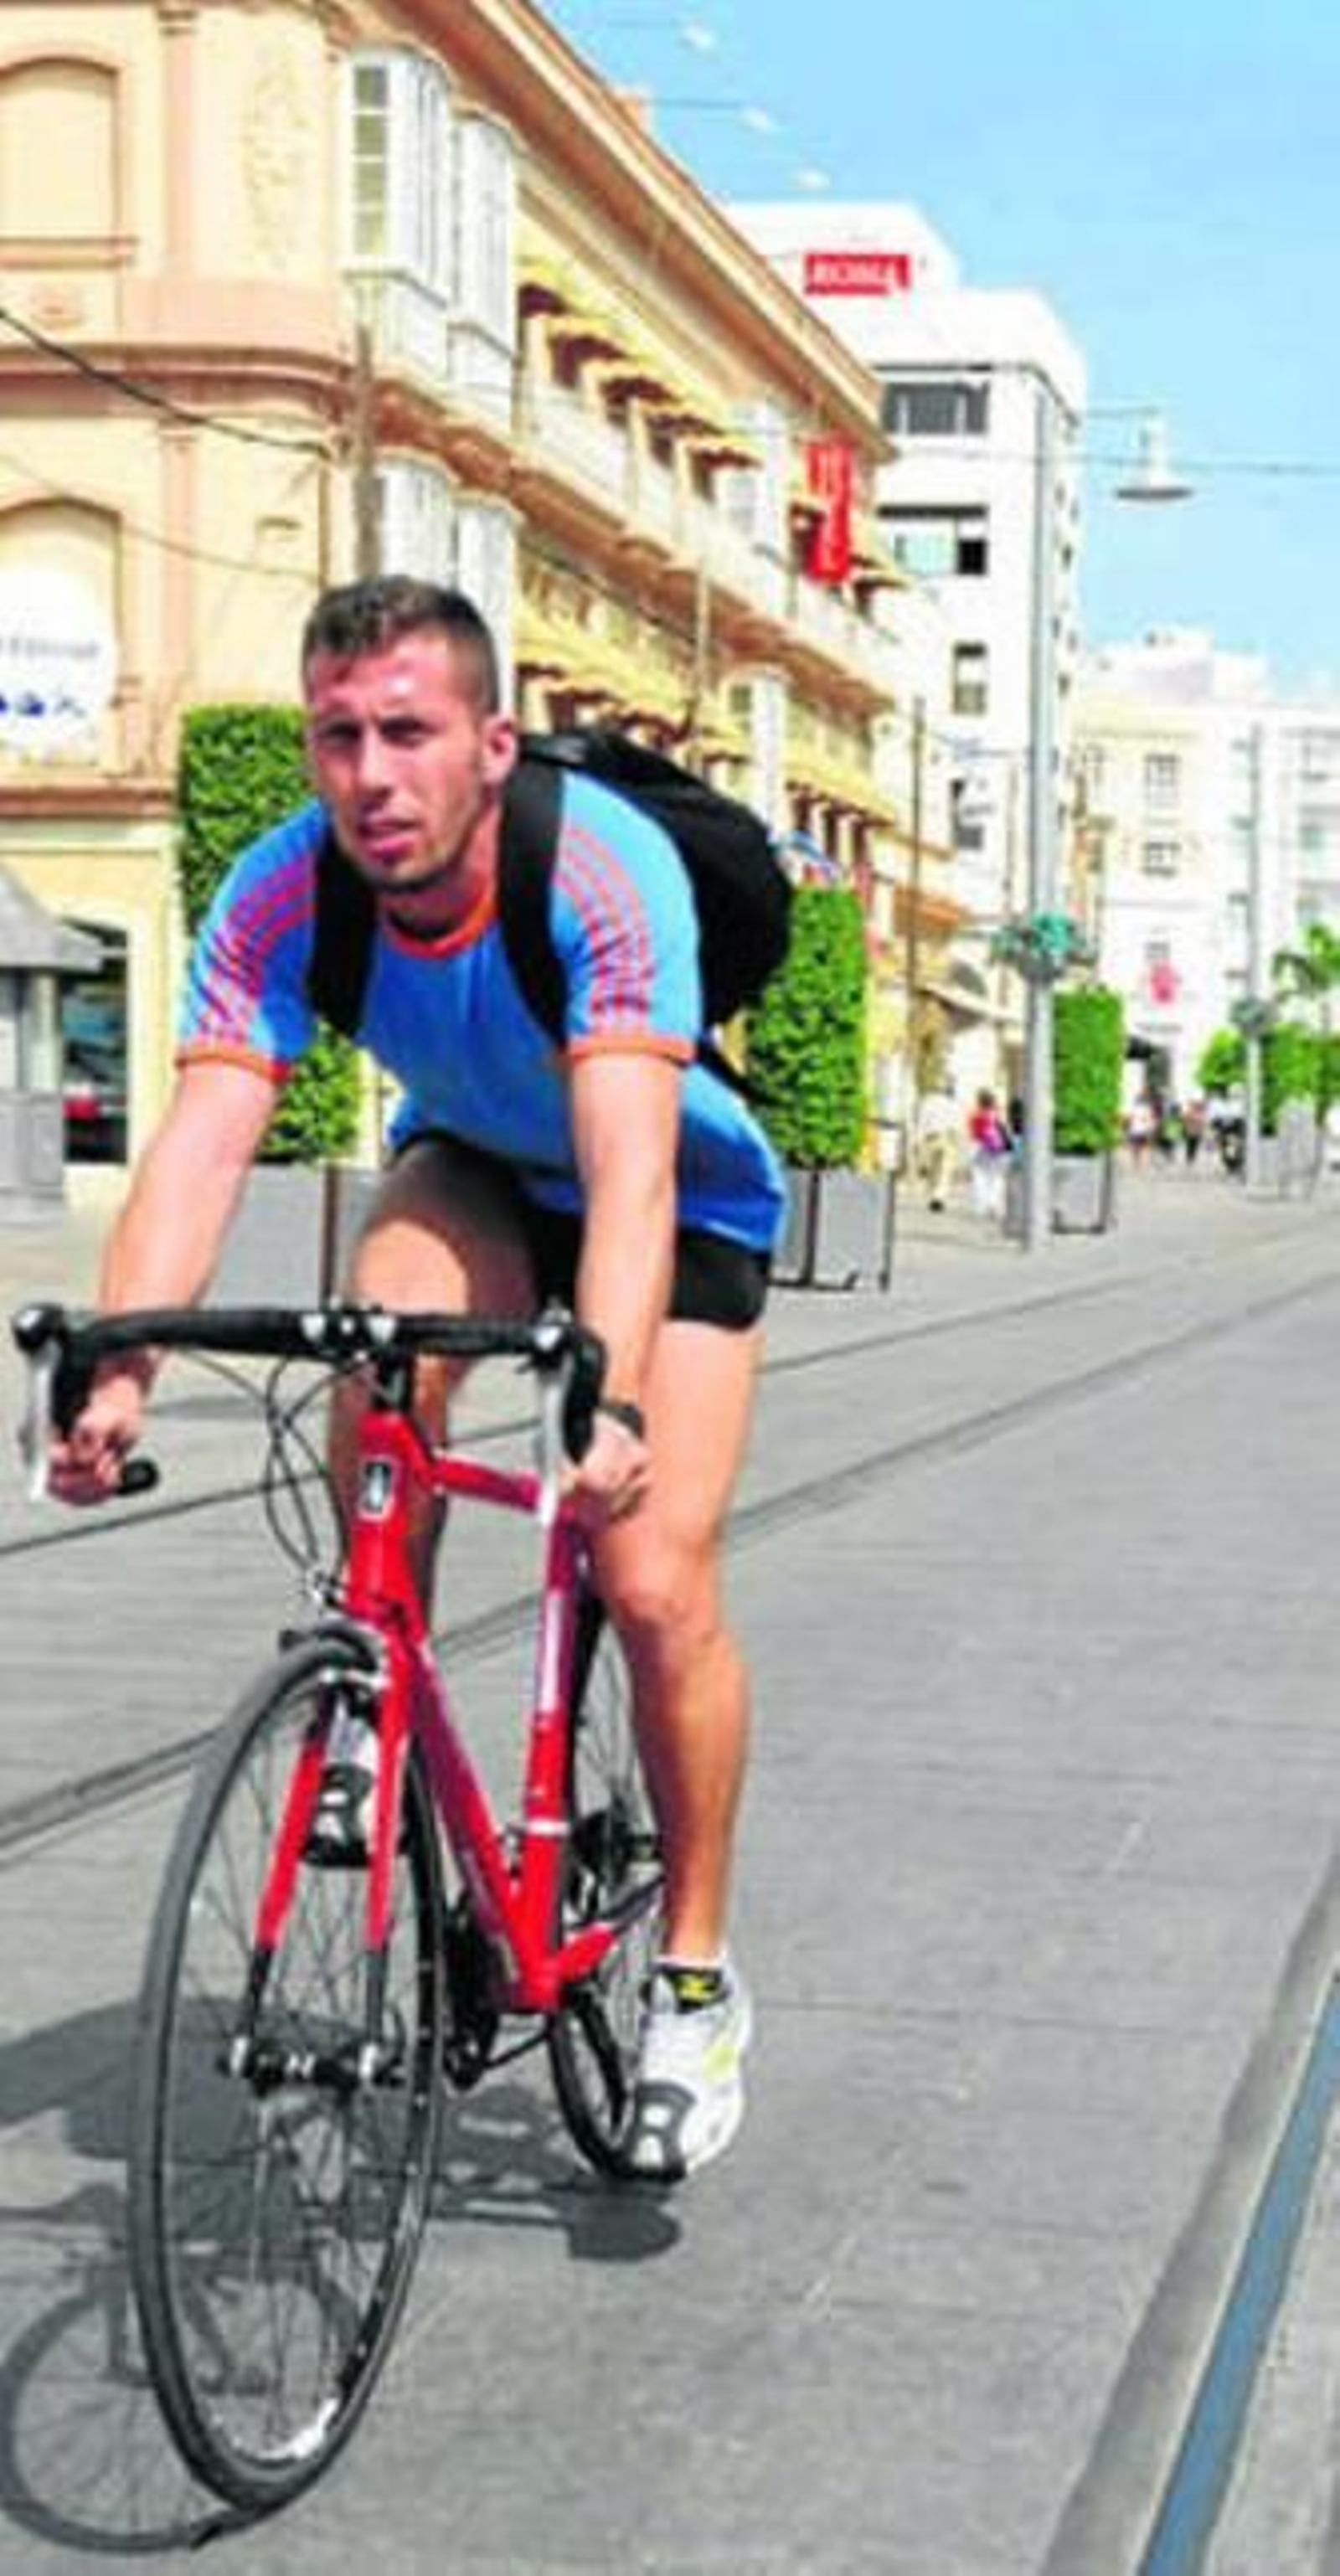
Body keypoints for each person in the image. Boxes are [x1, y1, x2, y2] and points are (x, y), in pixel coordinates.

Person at [46, 574, 786, 2182]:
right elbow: (201, 1144)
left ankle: (696, 1977)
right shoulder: (282, 891)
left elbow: (633, 1171)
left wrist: (613, 1402)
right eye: (337, 736)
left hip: (674, 1199)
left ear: (490, 742)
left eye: (407, 732)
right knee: (381, 1342)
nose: (370, 774)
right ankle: (375, 1681)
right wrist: (120, 1367)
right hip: (474, 1168)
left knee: (652, 1581)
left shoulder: (600, 868)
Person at [966, 1086, 1010, 1218]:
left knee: (979, 1177)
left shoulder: (974, 1114)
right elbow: (1005, 1131)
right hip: (997, 1147)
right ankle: (994, 1203)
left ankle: (982, 1206)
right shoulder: (998, 1114)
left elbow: (972, 1132)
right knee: (996, 1177)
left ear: (979, 1101)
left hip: (978, 1146)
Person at [915, 1079, 958, 1211]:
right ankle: (939, 1197)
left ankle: (933, 1196)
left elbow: (922, 1122)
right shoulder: (952, 1104)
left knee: (933, 1171)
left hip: (931, 1139)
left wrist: (918, 1140)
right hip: (947, 1138)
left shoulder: (927, 1102)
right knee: (945, 1171)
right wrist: (957, 1141)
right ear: (945, 1090)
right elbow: (956, 1125)